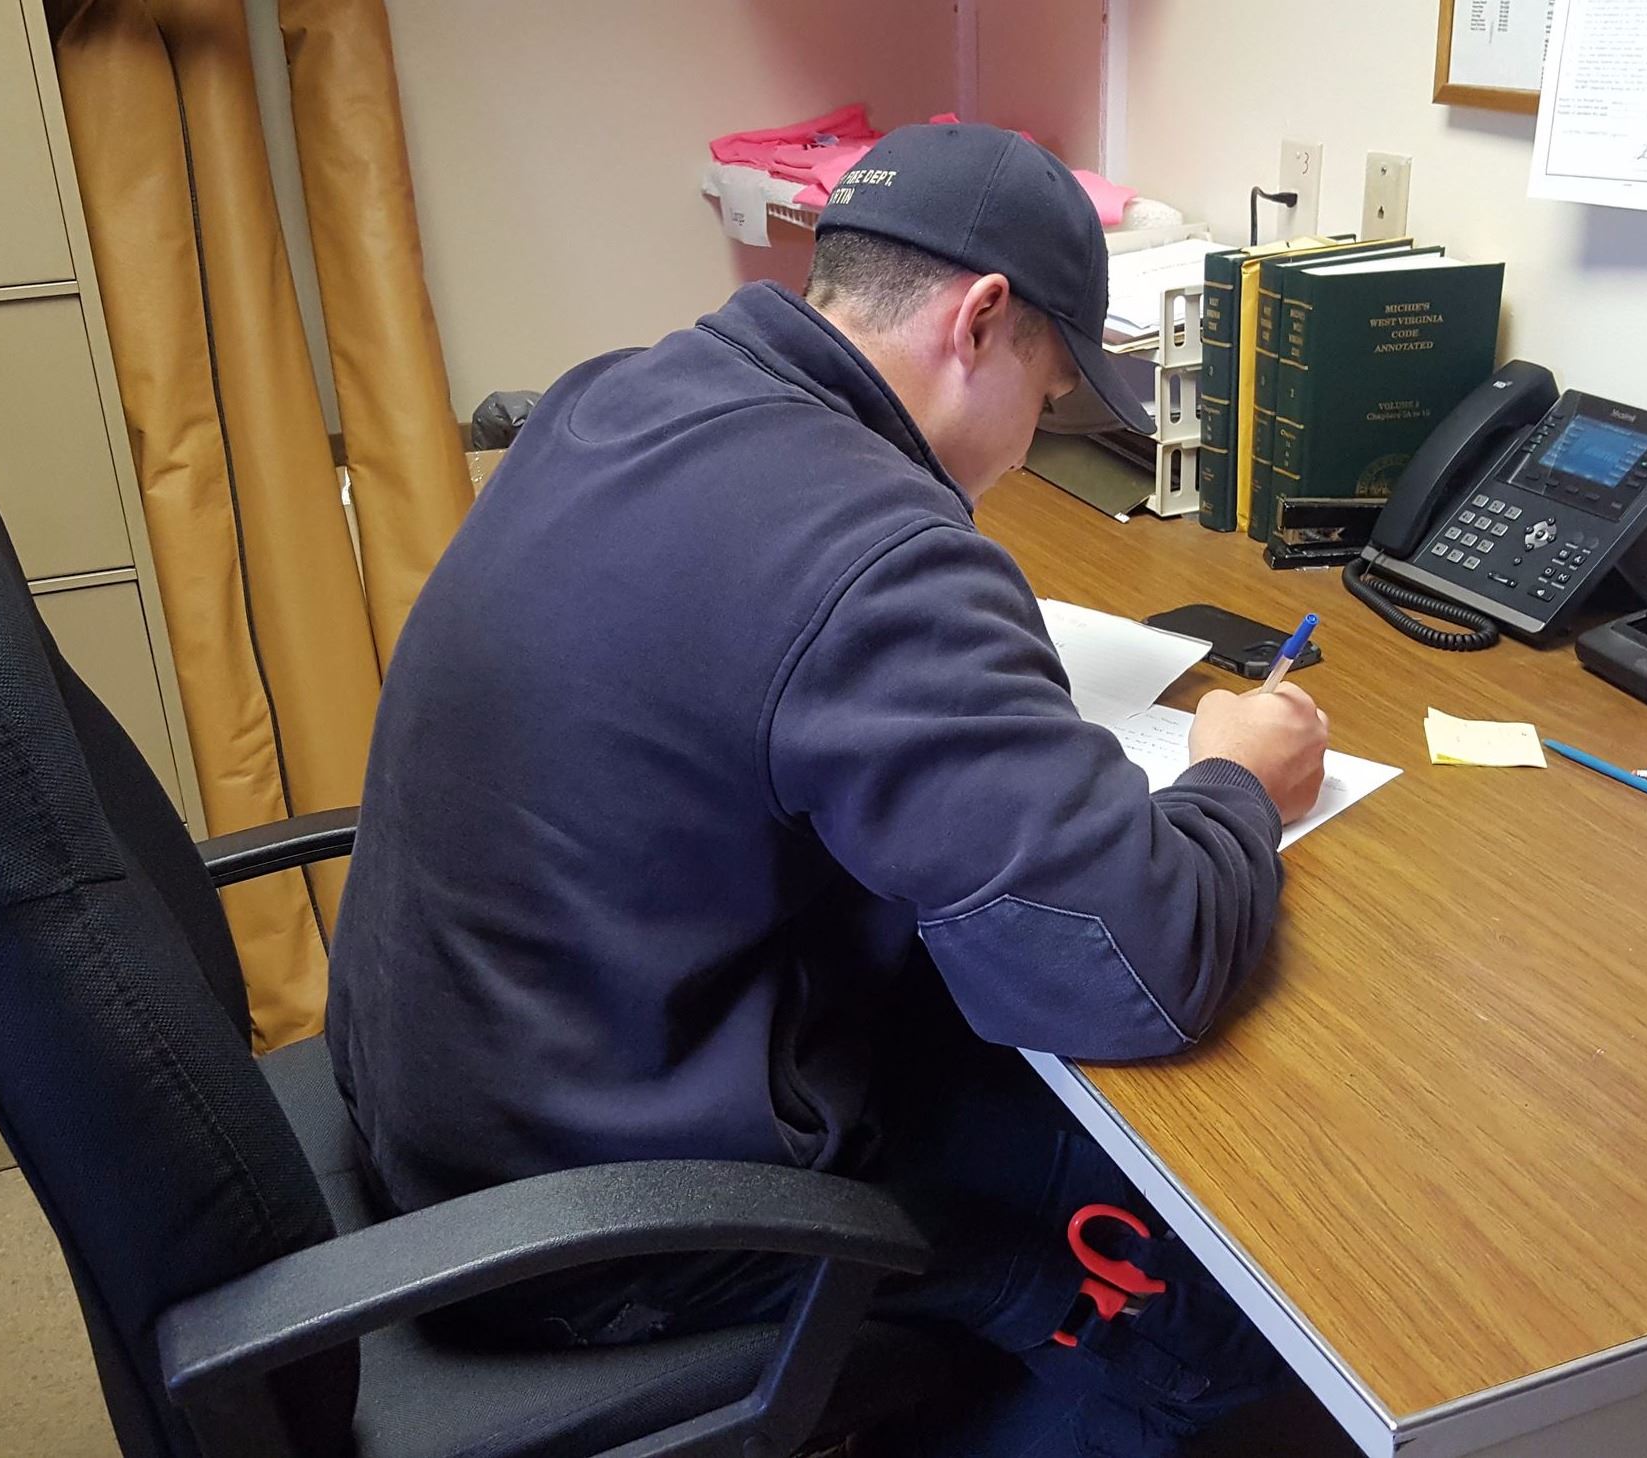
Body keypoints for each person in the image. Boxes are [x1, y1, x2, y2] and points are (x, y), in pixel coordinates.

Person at [327, 123, 1330, 1455]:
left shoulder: (614, 396)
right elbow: (1133, 967)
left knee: (1056, 1116)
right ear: (979, 323)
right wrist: (1233, 784)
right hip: (611, 1228)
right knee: (1196, 1327)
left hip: (470, 1103)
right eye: (1050, 391)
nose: (1035, 444)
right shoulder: (877, 548)